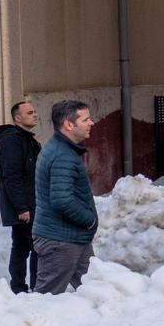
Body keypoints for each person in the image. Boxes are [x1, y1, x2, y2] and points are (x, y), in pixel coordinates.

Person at [33, 100, 98, 294]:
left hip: (73, 239)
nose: (91, 123)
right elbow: (62, 199)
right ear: (69, 125)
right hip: (60, 242)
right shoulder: (62, 155)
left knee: (96, 292)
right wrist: (89, 220)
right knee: (45, 300)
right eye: (85, 119)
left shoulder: (64, 150)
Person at [0, 101, 43, 294]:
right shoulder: (12, 141)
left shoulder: (28, 140)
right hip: (25, 206)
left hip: (30, 203)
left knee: (21, 245)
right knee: (37, 246)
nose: (35, 115)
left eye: (35, 111)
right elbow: (12, 177)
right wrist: (22, 208)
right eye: (30, 112)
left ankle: (19, 287)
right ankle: (38, 287)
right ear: (17, 118)